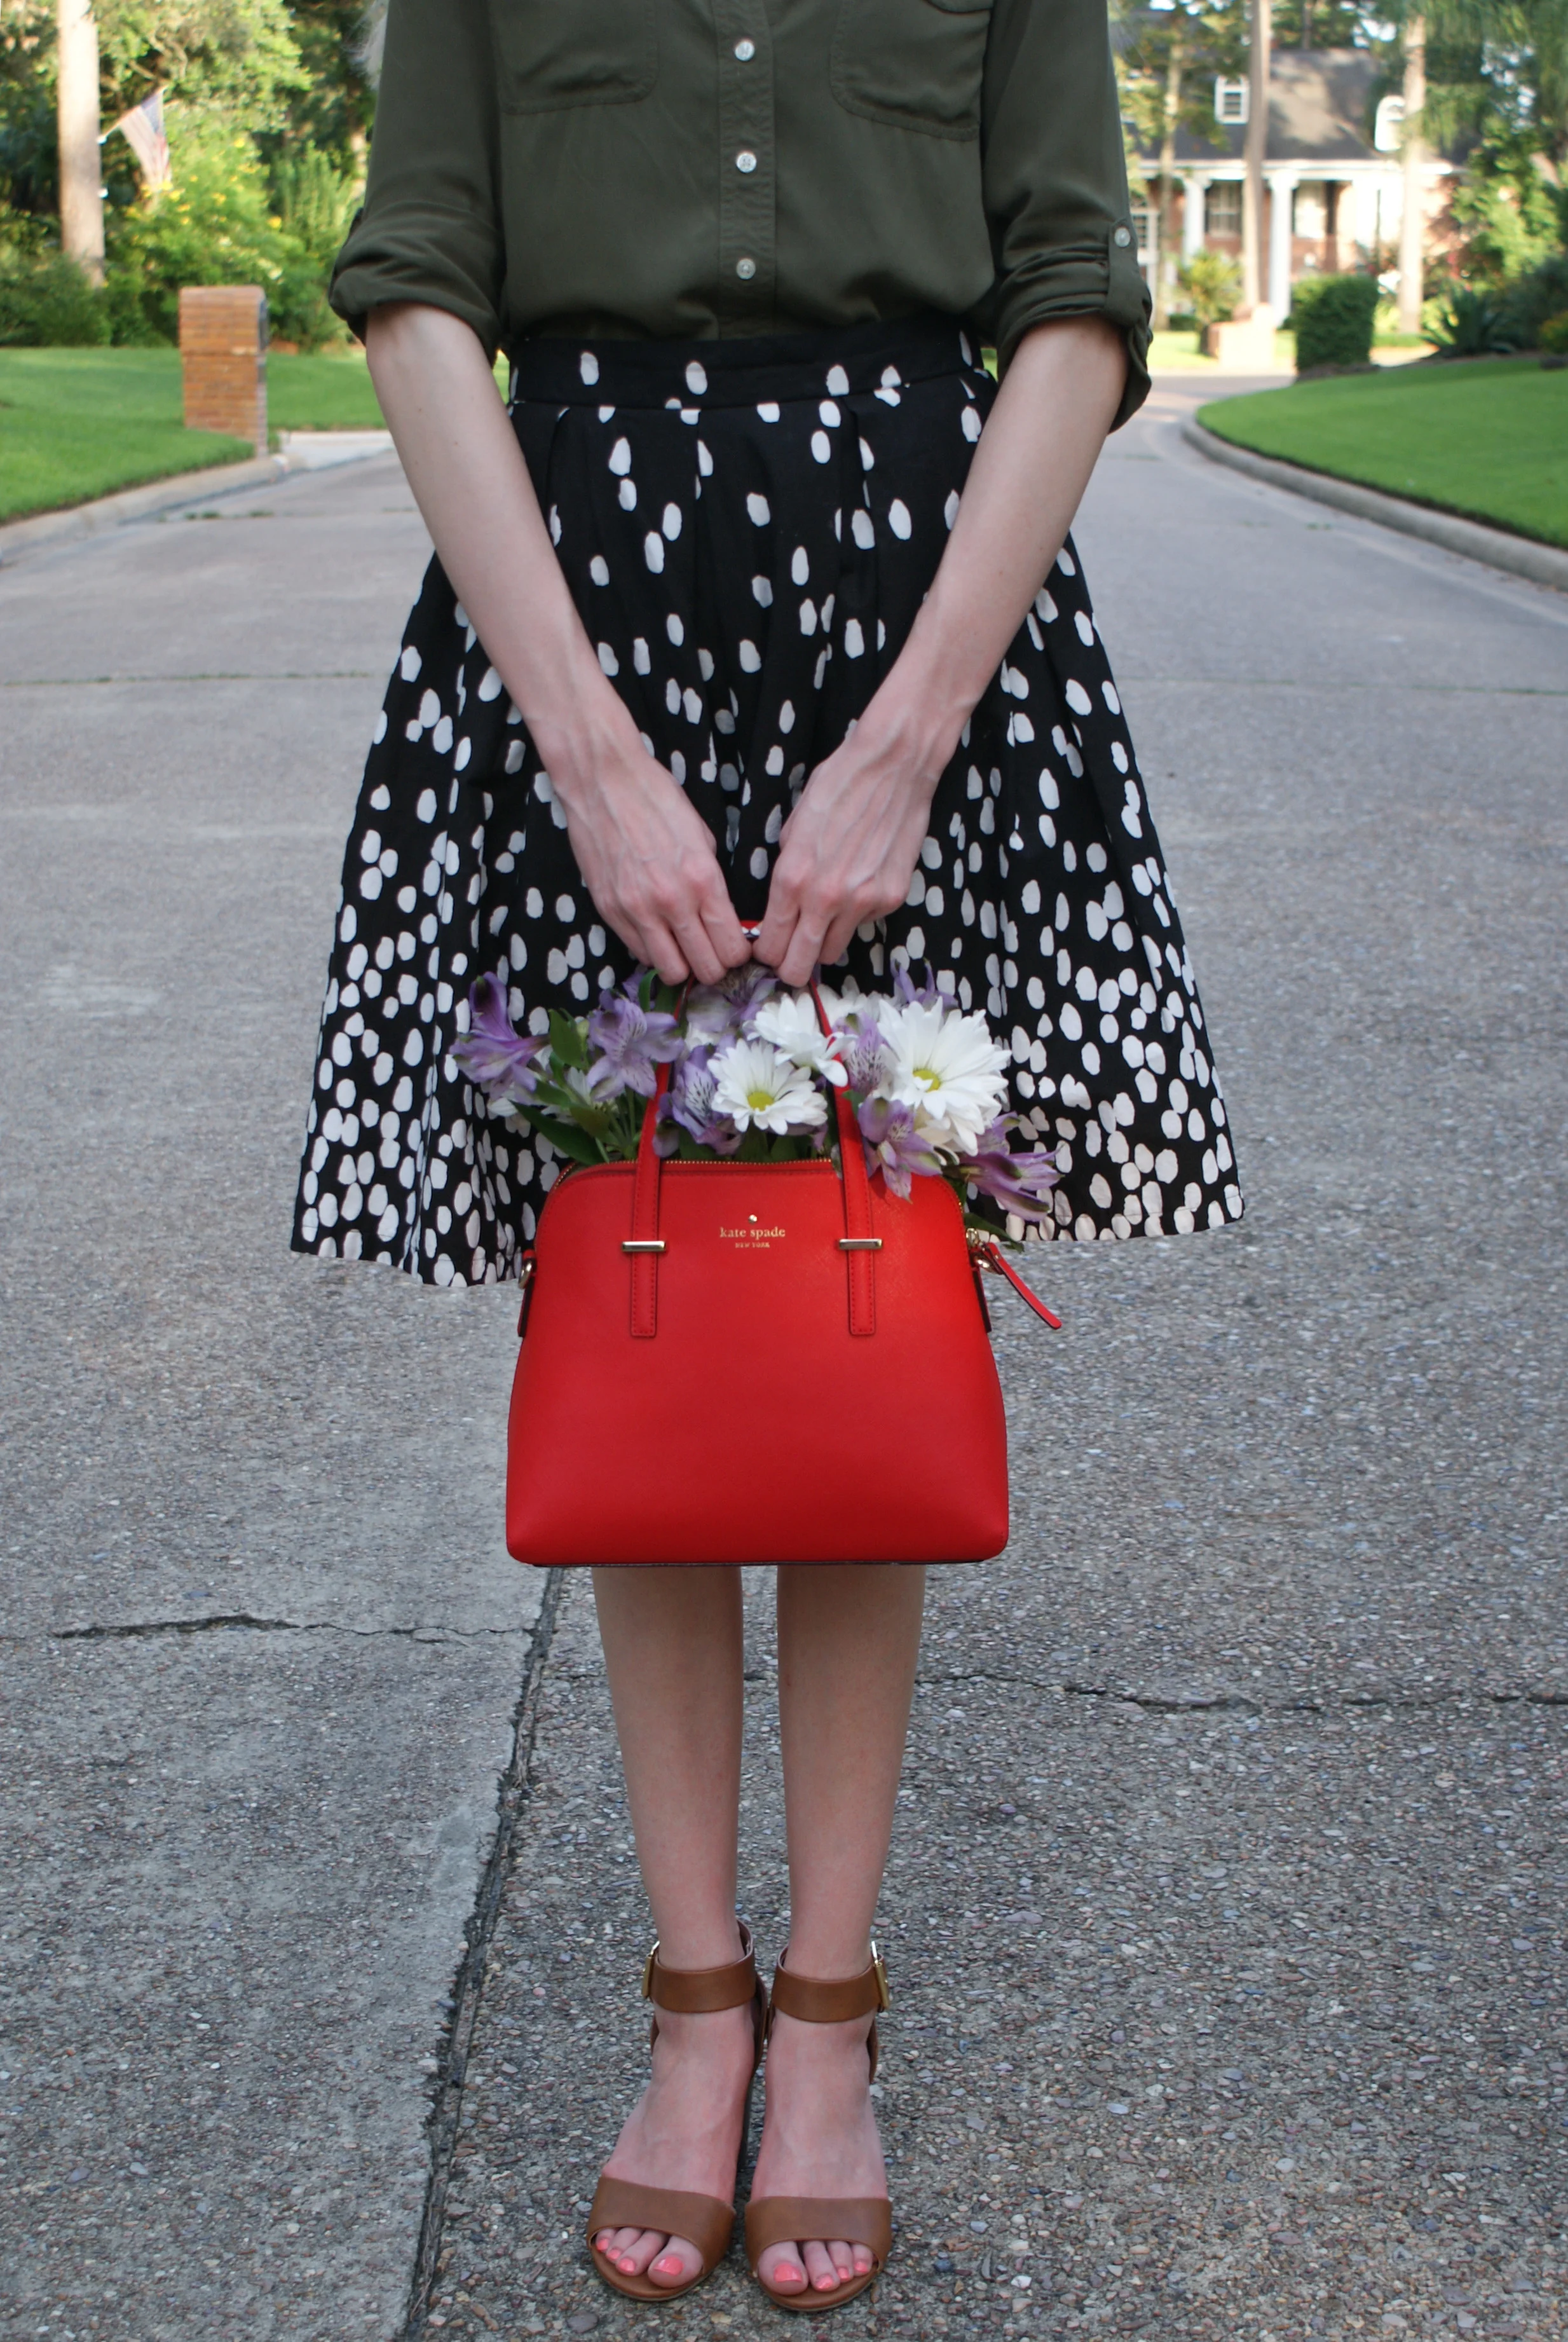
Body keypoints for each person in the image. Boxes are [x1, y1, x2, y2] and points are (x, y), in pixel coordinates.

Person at [293, 0, 1242, 2310]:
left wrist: (914, 741)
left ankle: (826, 2014)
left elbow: (1075, 297)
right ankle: (695, 2004)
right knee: (653, 1318)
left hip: (917, 636)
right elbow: (418, 285)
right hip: (575, 636)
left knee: (847, 1315)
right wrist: (588, 753)